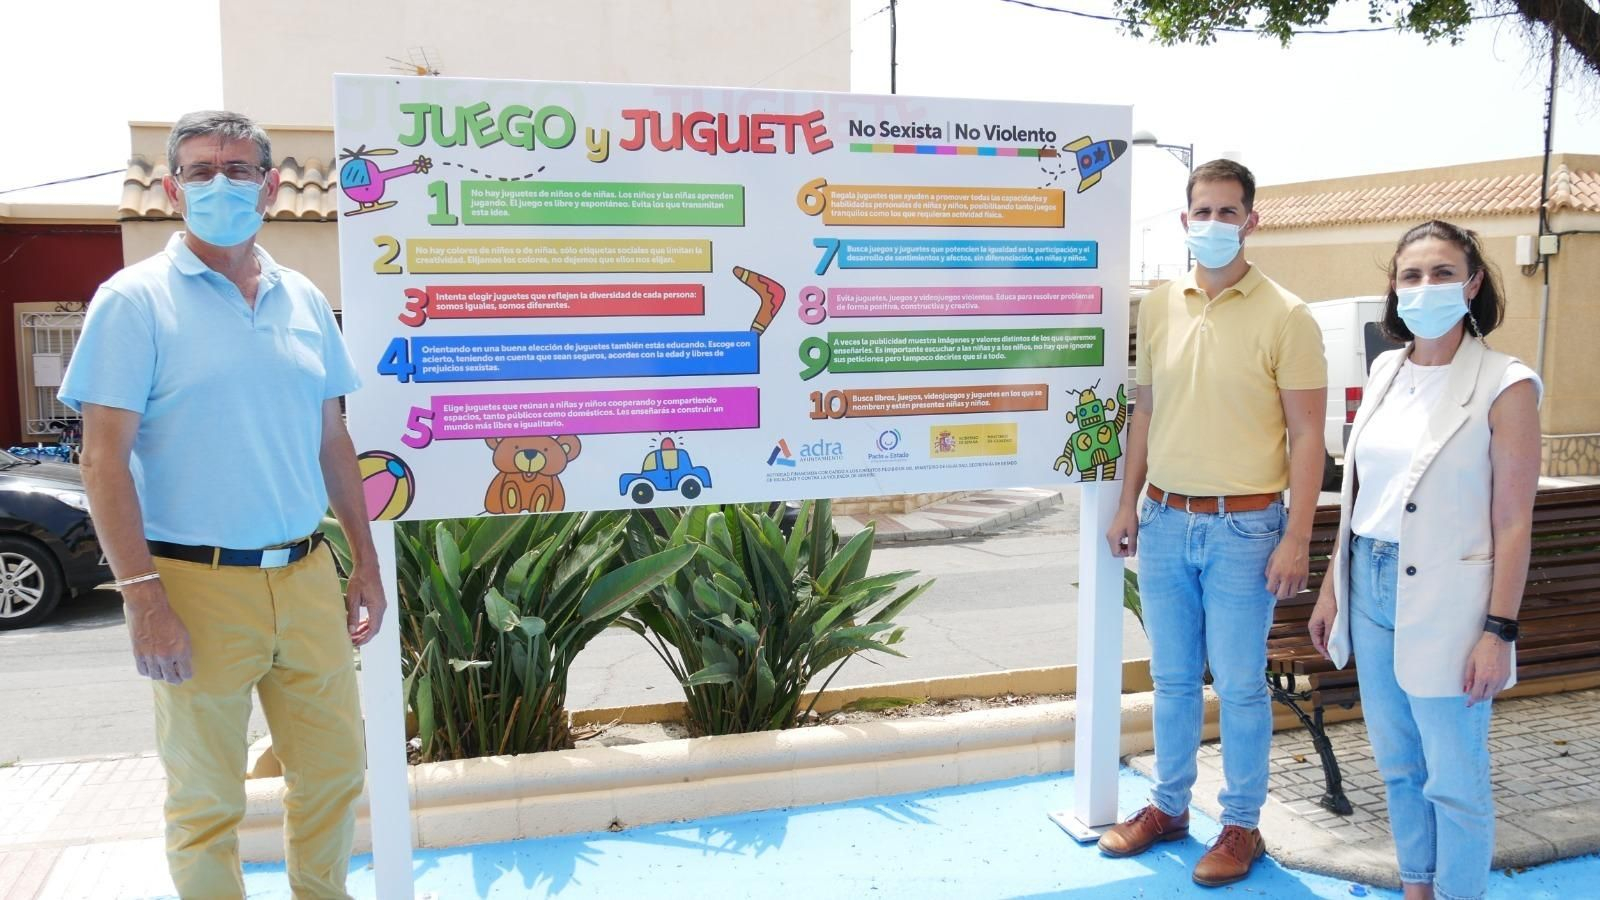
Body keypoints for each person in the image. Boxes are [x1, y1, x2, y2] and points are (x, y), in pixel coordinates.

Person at [59, 110, 386, 899]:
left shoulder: (304, 299)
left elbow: (332, 443)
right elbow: (101, 460)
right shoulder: (132, 302)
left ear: (271, 187)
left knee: (335, 773)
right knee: (207, 799)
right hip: (192, 585)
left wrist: (364, 564)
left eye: (238, 170)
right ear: (173, 190)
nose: (220, 184)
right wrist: (143, 599)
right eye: (201, 170)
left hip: (305, 575)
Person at [1100, 159, 1328, 887]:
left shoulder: (1288, 315)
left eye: (1230, 212)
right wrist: (1127, 500)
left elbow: (1309, 437)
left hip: (1247, 530)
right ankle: (1168, 808)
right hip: (1165, 519)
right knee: (1170, 680)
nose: (1216, 224)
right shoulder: (1160, 304)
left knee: (1238, 685)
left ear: (1251, 221)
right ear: (1185, 219)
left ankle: (1241, 826)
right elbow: (1145, 411)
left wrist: (1297, 536)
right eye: (1204, 211)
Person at [1307, 220, 1540, 900]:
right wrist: (1332, 589)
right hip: (1368, 582)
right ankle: (1417, 887)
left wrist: (1499, 632)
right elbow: (1360, 495)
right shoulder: (1385, 370)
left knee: (1455, 779)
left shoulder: (1507, 382)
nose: (1425, 286)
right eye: (1411, 275)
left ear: (1472, 284)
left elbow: (1514, 520)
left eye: (1442, 272)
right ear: (1393, 288)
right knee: (1398, 765)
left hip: (1453, 602)